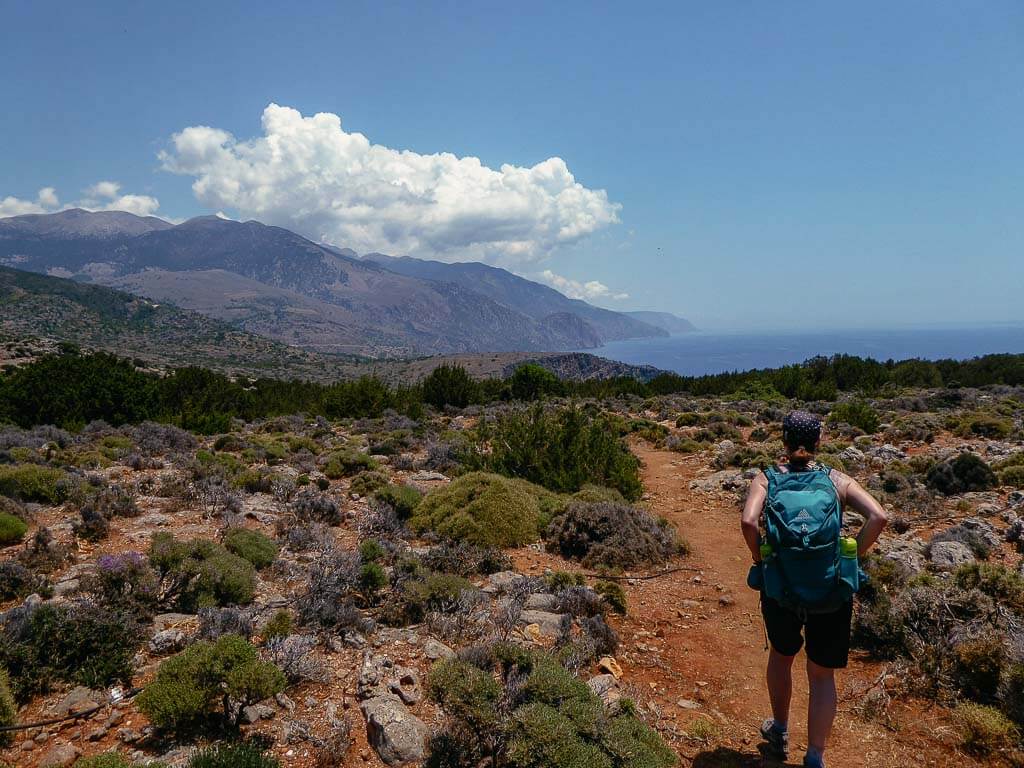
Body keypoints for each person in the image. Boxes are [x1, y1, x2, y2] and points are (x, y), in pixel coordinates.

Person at [740, 410, 888, 768]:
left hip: (783, 592)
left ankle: (780, 729)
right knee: (821, 675)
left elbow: (748, 521)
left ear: (785, 441)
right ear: (818, 442)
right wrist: (851, 554)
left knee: (781, 656)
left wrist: (763, 562)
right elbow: (879, 516)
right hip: (831, 593)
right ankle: (815, 756)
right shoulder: (836, 479)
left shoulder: (767, 479)